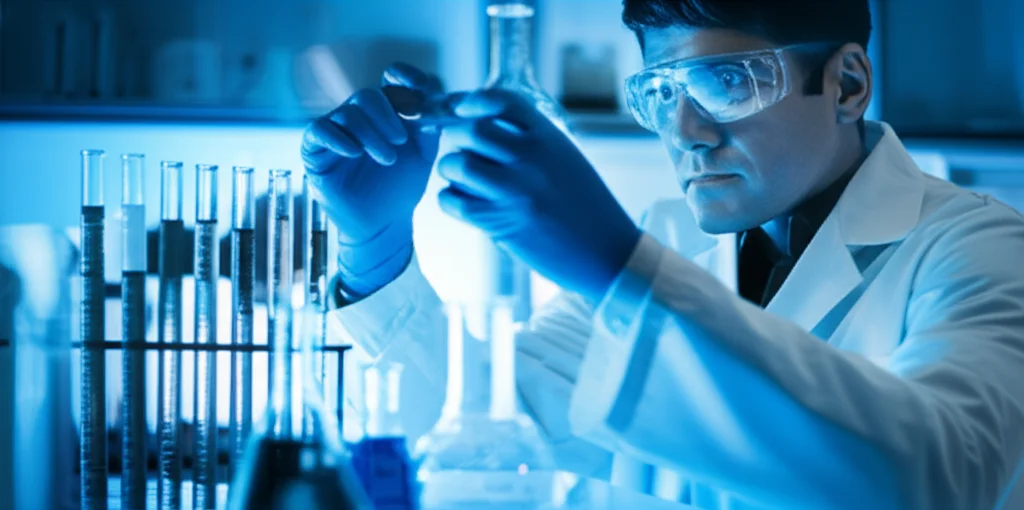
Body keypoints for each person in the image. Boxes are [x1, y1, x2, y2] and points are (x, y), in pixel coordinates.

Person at [301, 0, 1024, 508]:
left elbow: (936, 480)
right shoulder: (671, 237)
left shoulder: (980, 247)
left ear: (847, 84)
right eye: (660, 91)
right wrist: (378, 248)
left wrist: (619, 265)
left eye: (724, 82)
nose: (686, 131)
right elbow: (494, 434)